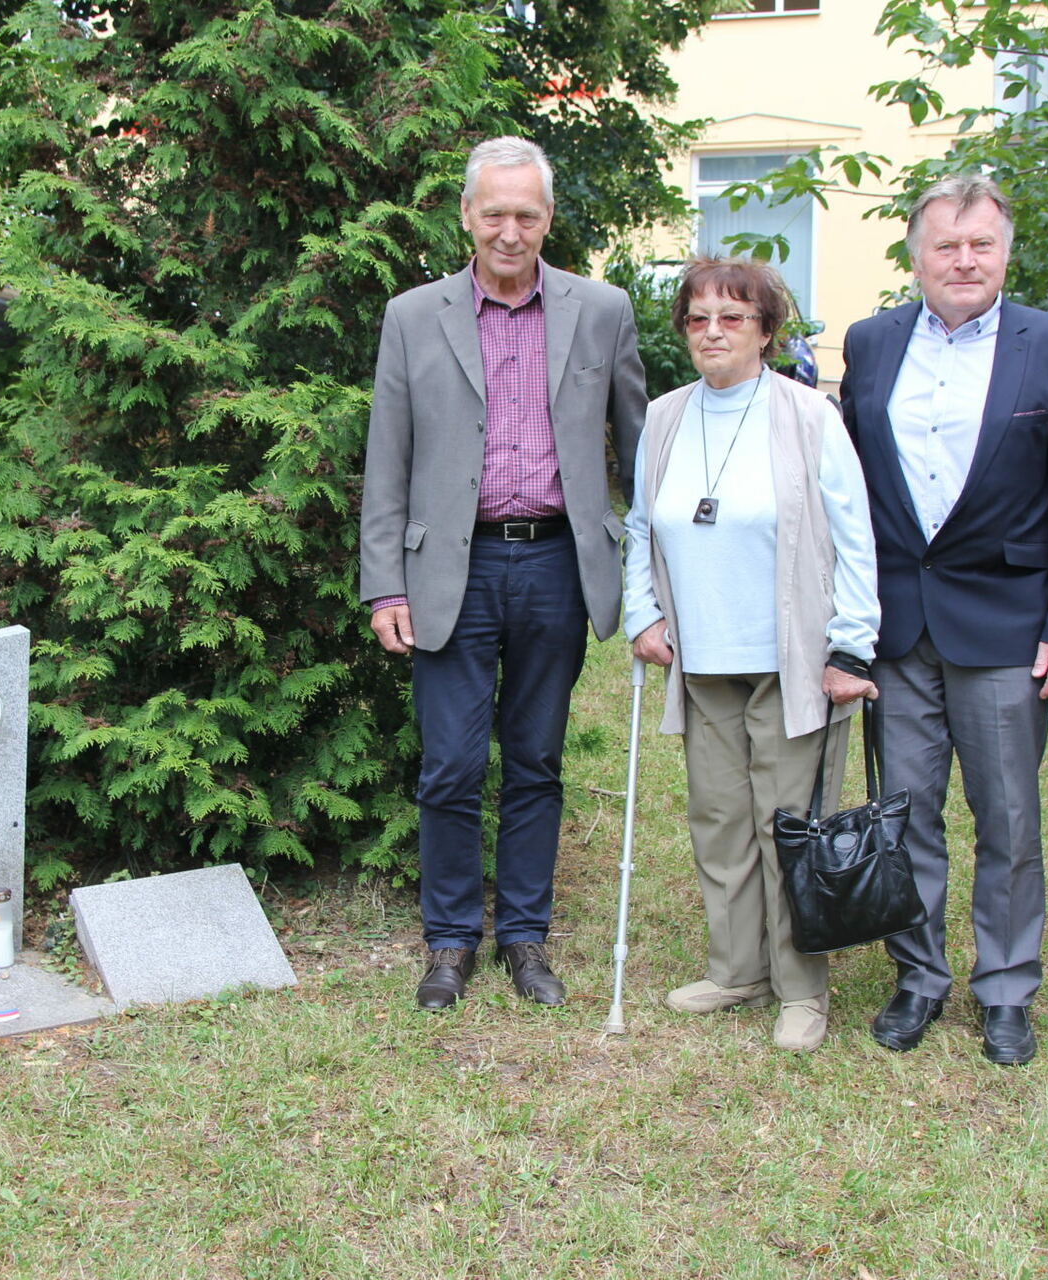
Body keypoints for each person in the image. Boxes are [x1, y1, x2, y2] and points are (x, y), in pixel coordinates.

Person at [359, 137, 647, 1010]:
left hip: (557, 562)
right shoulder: (414, 317)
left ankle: (525, 937)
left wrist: (657, 570)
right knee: (448, 764)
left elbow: (643, 448)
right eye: (495, 214)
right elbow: (388, 458)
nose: (510, 231)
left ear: (548, 218)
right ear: (467, 217)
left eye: (527, 214)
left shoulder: (602, 311)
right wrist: (385, 583)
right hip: (453, 567)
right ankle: (450, 940)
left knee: (536, 759)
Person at [839, 174, 1048, 1065]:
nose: (963, 260)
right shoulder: (871, 344)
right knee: (905, 810)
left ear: (1004, 252)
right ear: (914, 255)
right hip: (899, 625)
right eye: (945, 245)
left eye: (980, 244)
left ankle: (1005, 989)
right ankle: (918, 976)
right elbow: (857, 495)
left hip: (1006, 624)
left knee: (1009, 817)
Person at [622, 257, 878, 1052]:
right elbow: (639, 528)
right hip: (702, 657)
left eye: (732, 318)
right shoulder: (665, 416)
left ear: (766, 331)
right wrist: (642, 613)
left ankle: (802, 987)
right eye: (698, 319)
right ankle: (738, 968)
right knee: (720, 820)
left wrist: (850, 645)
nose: (712, 332)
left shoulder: (806, 415)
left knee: (788, 826)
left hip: (792, 659)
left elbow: (853, 534)